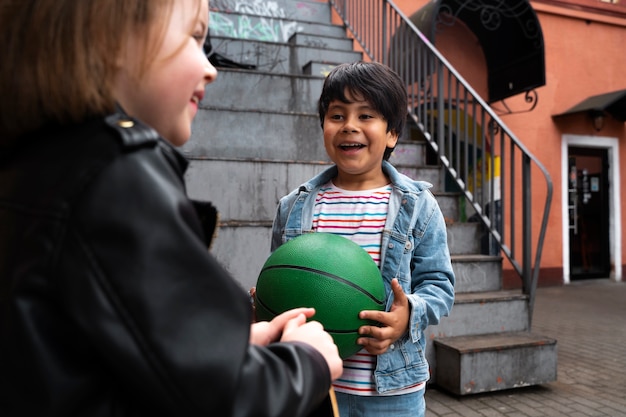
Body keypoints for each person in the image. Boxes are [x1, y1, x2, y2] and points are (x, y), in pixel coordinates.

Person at [0, 1, 342, 416]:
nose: (211, 67)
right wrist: (306, 361)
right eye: (195, 38)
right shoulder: (117, 174)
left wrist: (223, 346)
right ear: (112, 35)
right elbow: (223, 400)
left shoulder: (35, 164)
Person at [270, 61, 455, 417]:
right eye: (337, 115)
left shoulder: (418, 207)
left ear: (392, 134)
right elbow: (284, 280)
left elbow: (439, 285)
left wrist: (407, 317)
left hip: (392, 391)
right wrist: (267, 303)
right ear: (324, 125)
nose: (349, 125)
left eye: (366, 115)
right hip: (314, 386)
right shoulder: (293, 207)